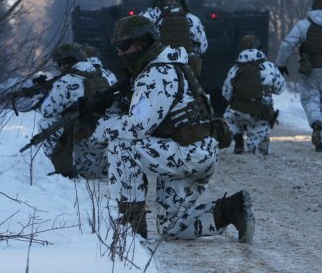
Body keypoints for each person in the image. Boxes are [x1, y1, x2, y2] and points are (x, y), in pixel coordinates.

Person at [92, 15, 254, 242]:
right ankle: (231, 209)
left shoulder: (158, 73)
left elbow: (137, 127)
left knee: (122, 146)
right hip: (190, 150)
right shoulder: (167, 65)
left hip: (188, 153)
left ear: (143, 42)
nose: (120, 53)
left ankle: (132, 227)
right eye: (118, 47)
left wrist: (98, 125)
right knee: (172, 228)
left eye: (124, 46)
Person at [275, 0, 322, 152]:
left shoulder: (304, 25)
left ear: (314, 5)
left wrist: (280, 64)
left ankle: (315, 121)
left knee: (310, 100)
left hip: (310, 70)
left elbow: (287, 45)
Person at [37, 43, 115, 179]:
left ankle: (61, 169)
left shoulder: (66, 80)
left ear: (65, 62)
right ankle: (94, 168)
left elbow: (47, 111)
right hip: (108, 132)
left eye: (59, 64)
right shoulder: (103, 74)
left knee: (45, 123)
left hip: (84, 133)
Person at [222, 34, 286, 155]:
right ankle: (258, 144)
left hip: (238, 112)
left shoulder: (235, 68)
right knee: (259, 132)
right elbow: (280, 88)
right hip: (261, 113)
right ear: (259, 48)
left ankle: (238, 140)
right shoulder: (269, 67)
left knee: (231, 117)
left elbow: (226, 92)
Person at [140, 0, 208, 78]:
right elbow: (203, 48)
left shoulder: (146, 17)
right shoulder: (193, 19)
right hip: (187, 74)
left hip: (154, 74)